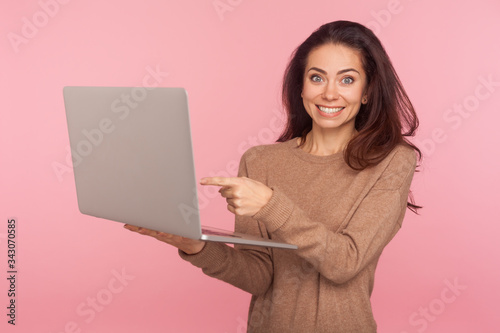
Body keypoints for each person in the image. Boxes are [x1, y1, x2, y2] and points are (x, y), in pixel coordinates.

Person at [124, 20, 421, 332]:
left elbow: (344, 262)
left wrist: (270, 205)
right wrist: (196, 246)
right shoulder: (261, 161)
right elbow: (259, 276)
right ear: (302, 87)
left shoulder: (392, 162)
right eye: (317, 77)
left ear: (366, 92)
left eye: (347, 80)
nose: (330, 93)